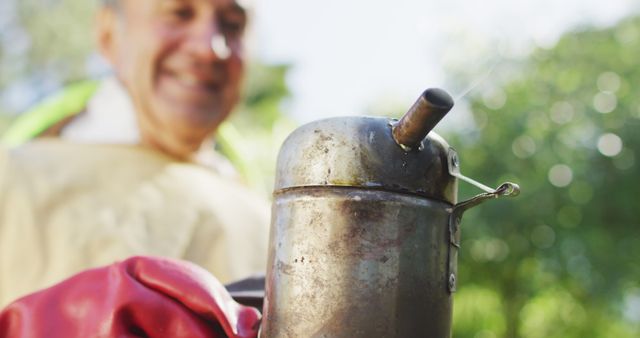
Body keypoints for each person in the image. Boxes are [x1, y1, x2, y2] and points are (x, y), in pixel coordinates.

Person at [0, 0, 269, 308]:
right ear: (109, 35)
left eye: (233, 24)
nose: (210, 48)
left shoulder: (278, 230)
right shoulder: (15, 178)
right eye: (179, 13)